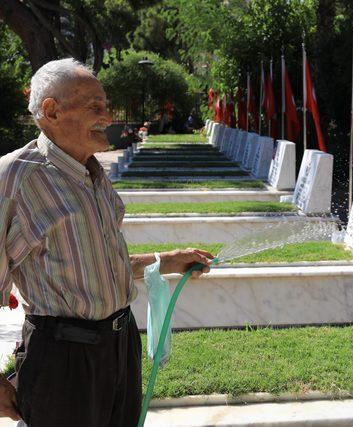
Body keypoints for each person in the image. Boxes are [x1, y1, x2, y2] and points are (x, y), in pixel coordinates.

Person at [0, 58, 214, 426]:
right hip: (63, 358)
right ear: (51, 110)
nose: (108, 115)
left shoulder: (93, 174)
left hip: (119, 345)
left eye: (106, 105)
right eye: (95, 106)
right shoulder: (15, 178)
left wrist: (168, 260)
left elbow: (96, 266)